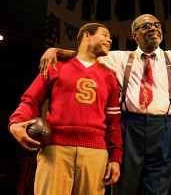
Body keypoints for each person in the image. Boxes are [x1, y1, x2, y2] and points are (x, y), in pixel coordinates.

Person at [39, 14, 171, 195]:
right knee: (124, 186)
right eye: (146, 25)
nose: (154, 28)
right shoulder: (119, 58)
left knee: (158, 187)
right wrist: (56, 51)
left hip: (162, 127)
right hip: (130, 126)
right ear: (134, 35)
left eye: (157, 25)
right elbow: (85, 54)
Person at [8, 23, 123, 195]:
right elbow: (30, 100)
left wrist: (115, 158)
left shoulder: (110, 77)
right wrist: (15, 123)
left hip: (96, 154)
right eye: (104, 34)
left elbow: (114, 123)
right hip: (55, 150)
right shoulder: (56, 65)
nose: (109, 39)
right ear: (86, 35)